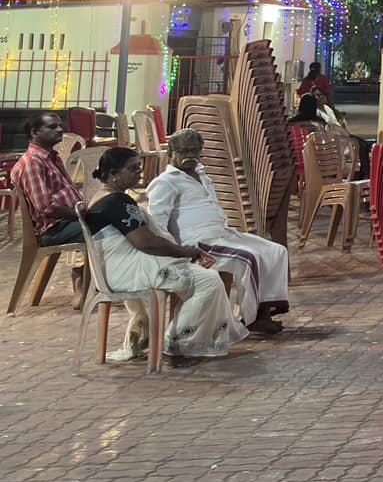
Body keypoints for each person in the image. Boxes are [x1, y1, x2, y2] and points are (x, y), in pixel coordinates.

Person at [83, 147, 246, 360]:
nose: (139, 173)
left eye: (138, 168)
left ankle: (178, 338)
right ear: (113, 174)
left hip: (122, 266)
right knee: (209, 281)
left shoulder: (106, 197)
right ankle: (176, 341)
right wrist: (183, 252)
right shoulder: (115, 202)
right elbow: (146, 242)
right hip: (124, 270)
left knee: (203, 277)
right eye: (132, 169)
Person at [147, 128, 290, 332]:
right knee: (249, 258)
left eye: (195, 151)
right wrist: (174, 252)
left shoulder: (202, 174)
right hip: (196, 242)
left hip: (223, 233)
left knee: (276, 251)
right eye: (184, 151)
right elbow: (157, 223)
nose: (190, 156)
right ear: (171, 152)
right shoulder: (164, 183)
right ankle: (253, 318)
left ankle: (262, 311)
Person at [9, 113, 87, 295]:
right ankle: (86, 277)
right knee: (107, 229)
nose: (60, 130)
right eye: (52, 127)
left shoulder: (51, 158)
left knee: (115, 220)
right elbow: (46, 207)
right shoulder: (32, 163)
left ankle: (89, 277)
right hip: (52, 229)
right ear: (34, 132)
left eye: (60, 126)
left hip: (67, 221)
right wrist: (81, 214)